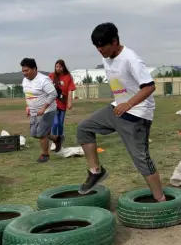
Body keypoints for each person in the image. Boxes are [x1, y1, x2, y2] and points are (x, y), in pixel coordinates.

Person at [75, 22, 165, 201]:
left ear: (115, 41)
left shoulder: (131, 59)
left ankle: (161, 200)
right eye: (97, 47)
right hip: (117, 109)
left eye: (103, 46)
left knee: (141, 159)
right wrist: (121, 103)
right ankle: (96, 172)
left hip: (137, 114)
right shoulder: (106, 58)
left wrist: (129, 104)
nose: (100, 50)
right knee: (84, 128)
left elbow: (149, 87)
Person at [21, 58, 60, 163]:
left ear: (34, 69)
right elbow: (27, 95)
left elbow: (53, 94)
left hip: (47, 110)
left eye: (27, 70)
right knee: (34, 134)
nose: (24, 73)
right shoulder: (25, 80)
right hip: (34, 111)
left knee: (42, 134)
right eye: (23, 71)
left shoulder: (43, 80)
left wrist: (44, 107)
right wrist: (27, 106)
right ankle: (57, 139)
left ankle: (45, 154)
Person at [48, 59, 76, 148]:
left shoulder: (68, 76)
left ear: (63, 67)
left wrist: (69, 102)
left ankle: (59, 138)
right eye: (57, 66)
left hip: (63, 103)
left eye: (60, 66)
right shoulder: (51, 76)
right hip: (53, 103)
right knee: (55, 123)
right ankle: (54, 140)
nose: (58, 68)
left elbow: (70, 90)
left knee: (60, 123)